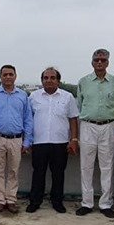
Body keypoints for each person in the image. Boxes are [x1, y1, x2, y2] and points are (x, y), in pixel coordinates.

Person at [75, 48, 114, 218]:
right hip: (88, 125)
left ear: (108, 62)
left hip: (108, 125)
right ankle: (86, 203)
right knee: (86, 165)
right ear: (92, 62)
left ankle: (105, 204)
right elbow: (79, 105)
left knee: (107, 166)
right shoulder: (83, 82)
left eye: (103, 60)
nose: (99, 62)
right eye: (96, 60)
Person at [27, 67, 80, 213]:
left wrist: (74, 139)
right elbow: (28, 120)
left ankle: (57, 201)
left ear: (58, 81)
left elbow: (73, 119)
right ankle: (35, 201)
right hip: (39, 142)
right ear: (42, 80)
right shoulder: (33, 97)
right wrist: (27, 140)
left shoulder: (67, 97)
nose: (49, 80)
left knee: (58, 174)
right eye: (46, 78)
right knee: (38, 173)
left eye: (52, 78)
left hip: (60, 142)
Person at [0, 64, 34, 213]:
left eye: (10, 74)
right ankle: (0, 200)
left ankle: (11, 199)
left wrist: (27, 141)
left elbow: (28, 119)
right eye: (5, 74)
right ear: (0, 77)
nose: (8, 77)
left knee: (14, 171)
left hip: (16, 139)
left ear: (15, 76)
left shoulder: (23, 96)